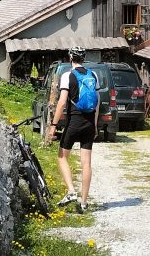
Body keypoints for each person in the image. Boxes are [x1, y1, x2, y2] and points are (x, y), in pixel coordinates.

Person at [46, 46, 99, 211]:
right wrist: (95, 126)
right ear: (84, 58)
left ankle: (71, 191)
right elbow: (97, 104)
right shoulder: (93, 75)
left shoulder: (67, 75)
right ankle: (83, 203)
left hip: (74, 121)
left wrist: (53, 125)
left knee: (62, 157)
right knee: (86, 163)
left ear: (70, 58)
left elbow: (62, 102)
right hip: (89, 122)